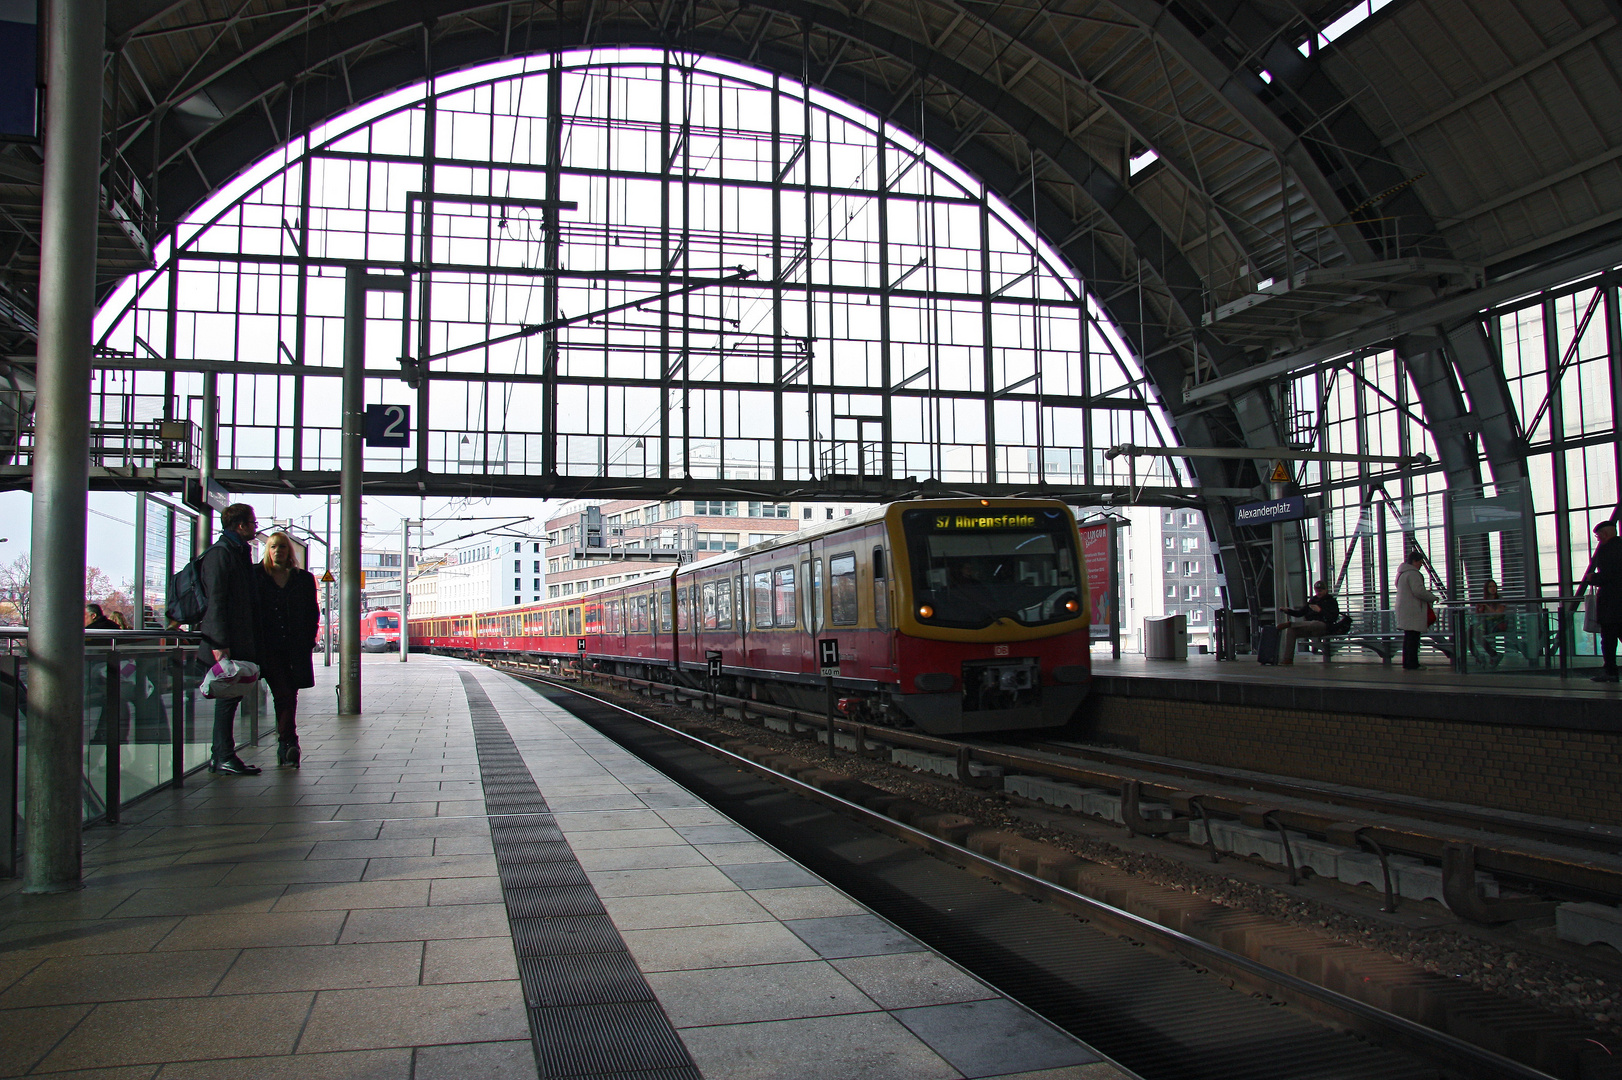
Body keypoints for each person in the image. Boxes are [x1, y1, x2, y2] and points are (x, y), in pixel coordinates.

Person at [197, 502, 263, 775]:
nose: (255, 527)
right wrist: (219, 645)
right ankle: (223, 755)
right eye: (252, 523)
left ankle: (222, 754)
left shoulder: (235, 552)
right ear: (240, 525)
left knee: (230, 699)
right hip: (225, 644)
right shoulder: (221, 554)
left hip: (235, 640)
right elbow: (217, 601)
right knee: (226, 701)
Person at [254, 532, 319, 766]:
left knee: (288, 695)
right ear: (267, 550)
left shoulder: (303, 579)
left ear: (289, 551)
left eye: (282, 547)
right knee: (283, 693)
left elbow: (313, 612)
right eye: (273, 547)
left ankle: (288, 743)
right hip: (267, 648)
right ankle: (288, 742)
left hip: (294, 649)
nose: (278, 551)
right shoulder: (256, 576)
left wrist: (309, 640)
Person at [1587, 520, 1622, 683]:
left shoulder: (1608, 550)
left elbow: (1609, 575)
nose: (1598, 538)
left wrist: (1593, 578)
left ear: (1604, 534)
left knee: (1608, 639)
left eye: (1598, 535)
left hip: (1611, 604)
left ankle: (1611, 672)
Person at [1276, 581, 1339, 665]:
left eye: (1320, 591)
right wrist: (1288, 611)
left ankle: (1291, 624)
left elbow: (1333, 617)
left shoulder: (1331, 601)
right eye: (1317, 591)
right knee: (1292, 631)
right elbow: (1299, 613)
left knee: (1314, 623)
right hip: (1309, 627)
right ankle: (1288, 658)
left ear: (1325, 590)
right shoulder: (1313, 601)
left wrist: (1320, 611)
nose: (1318, 593)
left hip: (1324, 627)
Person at [1395, 550, 1438, 671]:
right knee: (1413, 639)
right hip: (1413, 610)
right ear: (1414, 561)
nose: (1421, 565)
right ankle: (1413, 664)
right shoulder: (1413, 574)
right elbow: (1418, 591)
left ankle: (1407, 663)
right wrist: (1432, 597)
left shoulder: (1402, 574)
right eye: (1420, 562)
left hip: (1404, 610)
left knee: (1408, 638)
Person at [1472, 579, 1507, 665]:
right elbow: (1479, 616)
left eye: (1494, 586)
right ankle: (1486, 655)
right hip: (1485, 624)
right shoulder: (1485, 600)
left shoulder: (1499, 599)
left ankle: (1486, 655)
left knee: (1473, 632)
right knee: (1468, 632)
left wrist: (1486, 606)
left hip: (1496, 625)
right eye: (1490, 587)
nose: (1492, 589)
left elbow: (1497, 614)